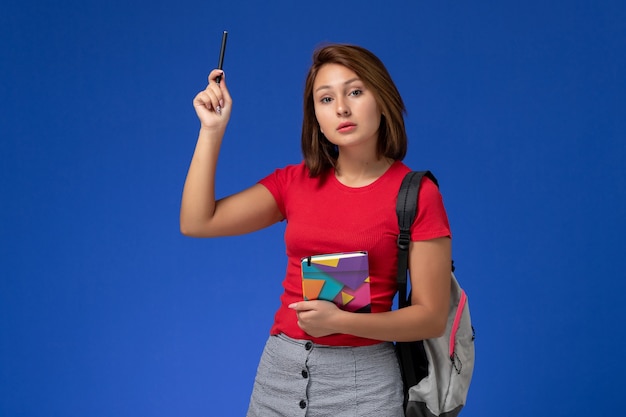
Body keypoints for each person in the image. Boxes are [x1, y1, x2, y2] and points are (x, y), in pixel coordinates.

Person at [180, 44, 452, 417]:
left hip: (364, 384)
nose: (341, 107)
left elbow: (432, 317)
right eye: (326, 99)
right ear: (317, 118)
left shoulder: (417, 194)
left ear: (383, 99)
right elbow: (197, 221)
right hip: (280, 373)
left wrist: (341, 321)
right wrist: (211, 130)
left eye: (355, 92)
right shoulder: (294, 182)